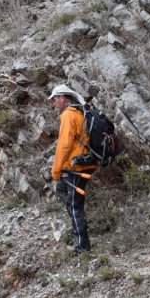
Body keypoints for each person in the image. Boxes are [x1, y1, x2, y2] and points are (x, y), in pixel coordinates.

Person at [48, 84, 99, 252]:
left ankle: (82, 247)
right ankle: (78, 228)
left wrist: (56, 171)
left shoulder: (68, 115)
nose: (54, 103)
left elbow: (64, 146)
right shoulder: (79, 112)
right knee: (62, 190)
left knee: (75, 205)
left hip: (76, 167)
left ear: (63, 98)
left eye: (55, 99)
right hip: (84, 164)